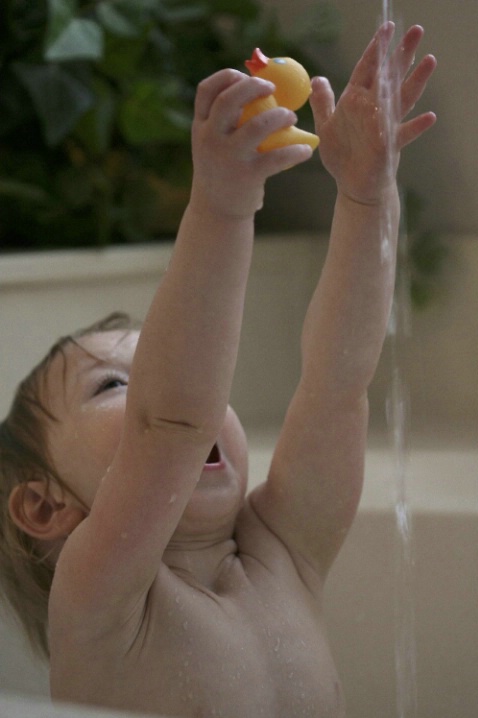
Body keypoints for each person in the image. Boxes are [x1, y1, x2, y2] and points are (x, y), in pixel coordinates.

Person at [0, 23, 436, 718]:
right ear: (45, 505)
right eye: (117, 385)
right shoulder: (100, 596)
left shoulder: (286, 551)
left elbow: (337, 385)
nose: (182, 394)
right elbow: (170, 421)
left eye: (161, 370)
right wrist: (223, 204)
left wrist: (364, 198)